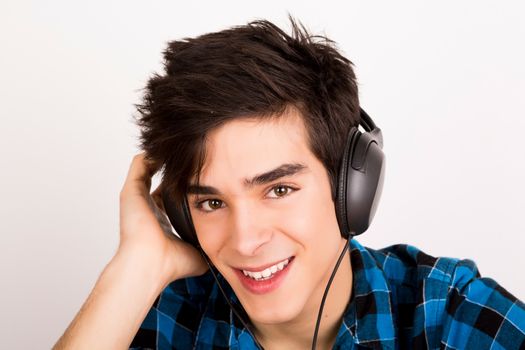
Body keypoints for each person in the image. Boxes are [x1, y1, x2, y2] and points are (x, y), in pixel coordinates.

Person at [54, 17, 525, 350]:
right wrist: (136, 269)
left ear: (351, 187)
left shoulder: (446, 314)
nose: (246, 240)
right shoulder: (161, 320)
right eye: (212, 202)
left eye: (278, 190)